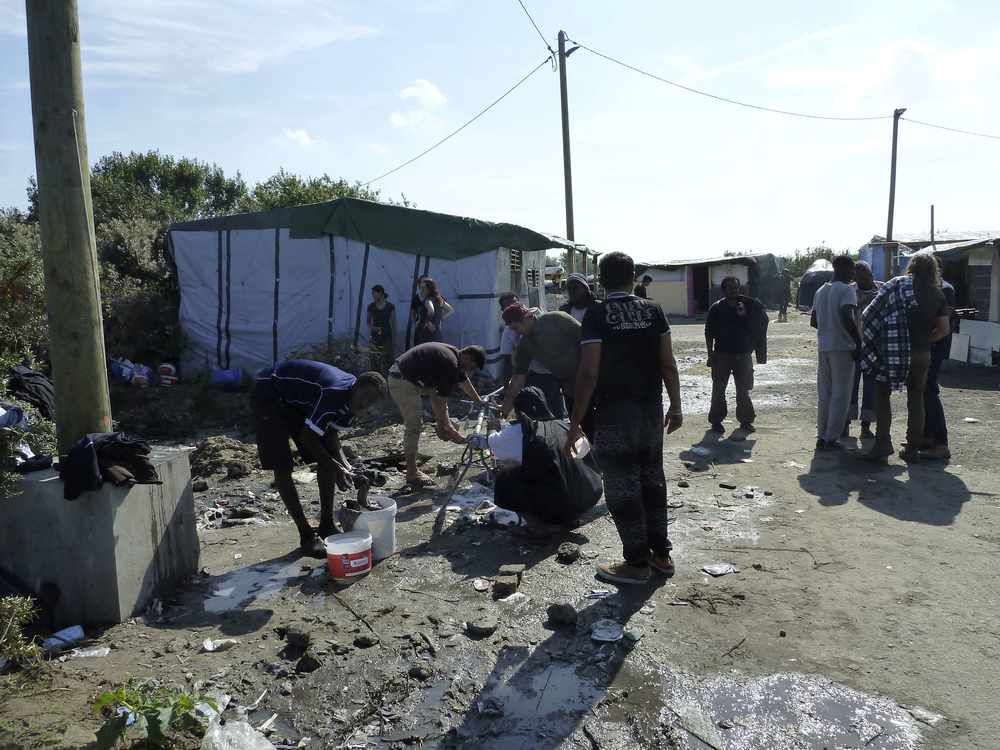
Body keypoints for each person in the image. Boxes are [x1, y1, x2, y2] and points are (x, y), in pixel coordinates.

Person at [568, 251, 683, 585]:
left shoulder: (597, 314)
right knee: (652, 480)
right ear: (633, 276)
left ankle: (636, 562)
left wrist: (574, 422)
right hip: (650, 413)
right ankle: (660, 555)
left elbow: (588, 374)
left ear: (601, 280)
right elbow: (668, 364)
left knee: (621, 486)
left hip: (613, 415)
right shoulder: (654, 311)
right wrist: (675, 407)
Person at [252, 360, 387, 557]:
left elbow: (330, 436)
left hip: (297, 400)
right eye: (365, 396)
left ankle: (326, 525)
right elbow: (308, 437)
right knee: (282, 465)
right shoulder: (334, 393)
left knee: (327, 459)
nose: (365, 403)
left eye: (371, 401)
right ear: (356, 387)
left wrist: (347, 467)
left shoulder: (353, 405)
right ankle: (306, 536)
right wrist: (338, 468)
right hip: (269, 392)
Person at [861, 253, 950, 462]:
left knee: (883, 396)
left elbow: (869, 314)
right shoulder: (938, 295)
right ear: (933, 271)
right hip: (921, 353)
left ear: (912, 267)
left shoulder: (896, 285)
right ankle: (912, 450)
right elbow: (944, 329)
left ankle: (883, 444)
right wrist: (926, 340)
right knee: (916, 398)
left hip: (891, 351)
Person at [492, 387, 603, 528]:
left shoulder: (521, 431)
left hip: (558, 504)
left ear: (519, 410)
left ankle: (538, 529)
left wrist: (494, 426)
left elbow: (493, 446)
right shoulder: (567, 425)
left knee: (505, 478)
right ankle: (569, 519)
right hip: (588, 497)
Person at [388, 342, 485, 486]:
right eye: (471, 367)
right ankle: (412, 472)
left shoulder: (453, 354)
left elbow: (463, 380)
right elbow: (440, 401)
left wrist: (478, 400)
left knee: (439, 406)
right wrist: (448, 429)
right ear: (467, 357)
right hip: (403, 381)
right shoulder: (450, 363)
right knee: (414, 424)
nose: (470, 371)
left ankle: (442, 429)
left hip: (411, 377)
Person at [705, 277, 768, 437]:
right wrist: (710, 354)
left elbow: (758, 327)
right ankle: (716, 422)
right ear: (724, 291)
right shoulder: (716, 308)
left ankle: (746, 421)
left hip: (743, 356)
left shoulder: (748, 306)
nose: (733, 290)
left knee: (743, 390)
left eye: (736, 287)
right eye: (730, 288)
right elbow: (709, 333)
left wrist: (744, 315)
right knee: (719, 390)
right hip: (721, 356)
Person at [810, 255, 860, 451]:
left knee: (825, 393)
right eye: (852, 269)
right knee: (841, 393)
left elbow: (813, 321)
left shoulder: (821, 290)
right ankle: (831, 438)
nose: (853, 274)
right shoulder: (847, 290)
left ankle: (822, 435)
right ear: (844, 269)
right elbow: (848, 317)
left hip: (824, 346)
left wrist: (828, 326)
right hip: (843, 347)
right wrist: (857, 343)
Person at [499, 305, 581, 423]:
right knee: (577, 420)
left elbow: (587, 338)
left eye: (516, 327)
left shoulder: (556, 319)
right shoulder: (525, 345)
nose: (516, 332)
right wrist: (506, 406)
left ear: (527, 318)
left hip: (587, 373)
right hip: (567, 384)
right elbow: (518, 378)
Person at [921, 276, 956, 460]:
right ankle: (928, 437)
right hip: (931, 344)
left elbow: (943, 324)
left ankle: (941, 443)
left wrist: (922, 339)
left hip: (936, 344)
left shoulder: (945, 289)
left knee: (930, 390)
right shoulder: (933, 288)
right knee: (924, 390)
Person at [847, 261, 881, 439]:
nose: (861, 280)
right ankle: (846, 423)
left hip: (874, 347)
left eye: (865, 275)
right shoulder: (849, 290)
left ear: (871, 273)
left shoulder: (881, 290)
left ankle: (865, 426)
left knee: (871, 388)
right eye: (857, 277)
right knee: (849, 386)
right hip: (853, 346)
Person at [367, 285, 396, 373]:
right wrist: (375, 328)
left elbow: (393, 323)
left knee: (388, 360)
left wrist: (393, 339)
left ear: (380, 293)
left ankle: (388, 380)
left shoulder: (390, 307)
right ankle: (375, 379)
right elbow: (368, 323)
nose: (373, 296)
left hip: (387, 336)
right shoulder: (371, 307)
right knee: (374, 360)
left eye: (374, 293)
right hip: (375, 337)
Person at [413, 277, 446, 346]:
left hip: (427, 334)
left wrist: (428, 322)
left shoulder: (428, 300)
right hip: (436, 332)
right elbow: (449, 310)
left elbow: (431, 311)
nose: (421, 290)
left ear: (428, 289)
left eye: (423, 288)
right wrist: (440, 318)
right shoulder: (439, 299)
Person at [497, 291, 520, 384]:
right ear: (503, 310)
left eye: (515, 304)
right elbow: (507, 362)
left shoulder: (536, 315)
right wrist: (506, 388)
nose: (513, 308)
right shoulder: (508, 332)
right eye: (508, 306)